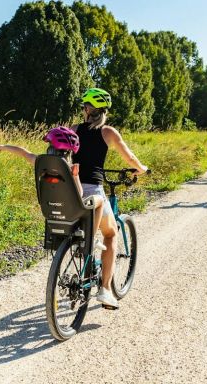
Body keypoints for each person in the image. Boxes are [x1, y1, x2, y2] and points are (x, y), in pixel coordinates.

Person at [73, 88, 148, 310]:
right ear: (104, 111)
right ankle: (106, 289)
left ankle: (80, 245)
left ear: (87, 109)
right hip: (94, 191)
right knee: (111, 234)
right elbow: (130, 156)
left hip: (73, 190)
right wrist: (141, 168)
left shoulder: (74, 129)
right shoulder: (108, 132)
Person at [0, 127, 107, 251]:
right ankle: (90, 240)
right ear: (70, 152)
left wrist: (3, 147)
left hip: (48, 209)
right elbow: (79, 193)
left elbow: (24, 152)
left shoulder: (40, 162)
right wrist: (75, 175)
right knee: (100, 200)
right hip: (72, 210)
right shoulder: (70, 168)